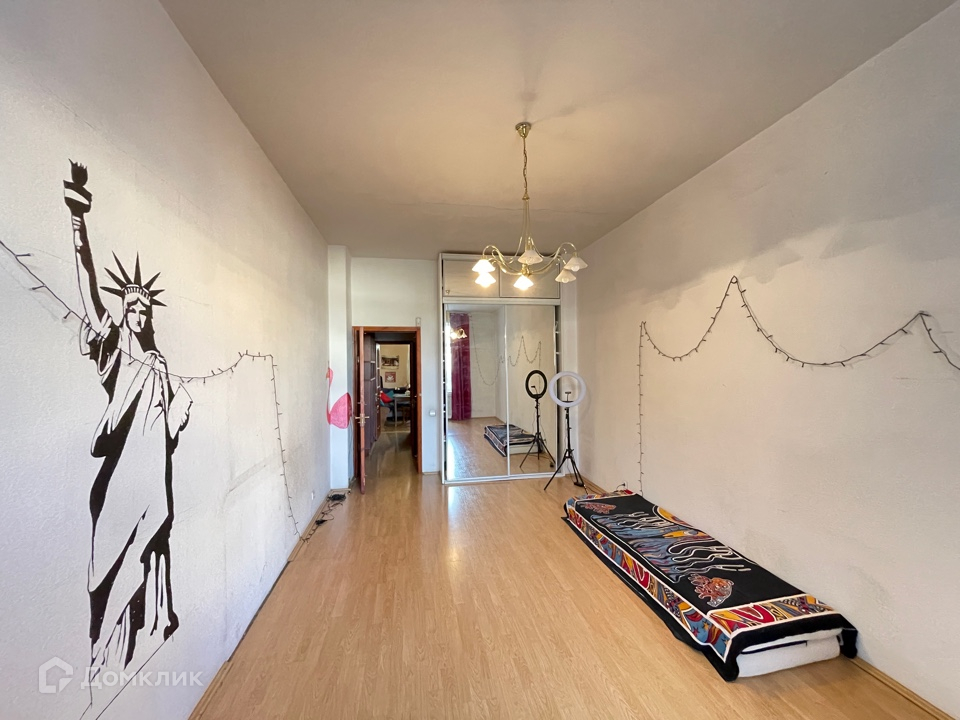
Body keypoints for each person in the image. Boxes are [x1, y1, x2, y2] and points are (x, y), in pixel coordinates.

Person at [65, 161, 190, 678]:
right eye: (132, 308)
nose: (138, 315)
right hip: (121, 478)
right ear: (124, 311)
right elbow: (88, 288)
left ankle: (149, 625)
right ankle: (105, 652)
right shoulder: (115, 350)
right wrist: (78, 222)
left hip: (153, 477)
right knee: (110, 563)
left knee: (153, 547)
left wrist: (179, 412)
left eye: (144, 311)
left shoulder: (158, 362)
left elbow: (169, 424)